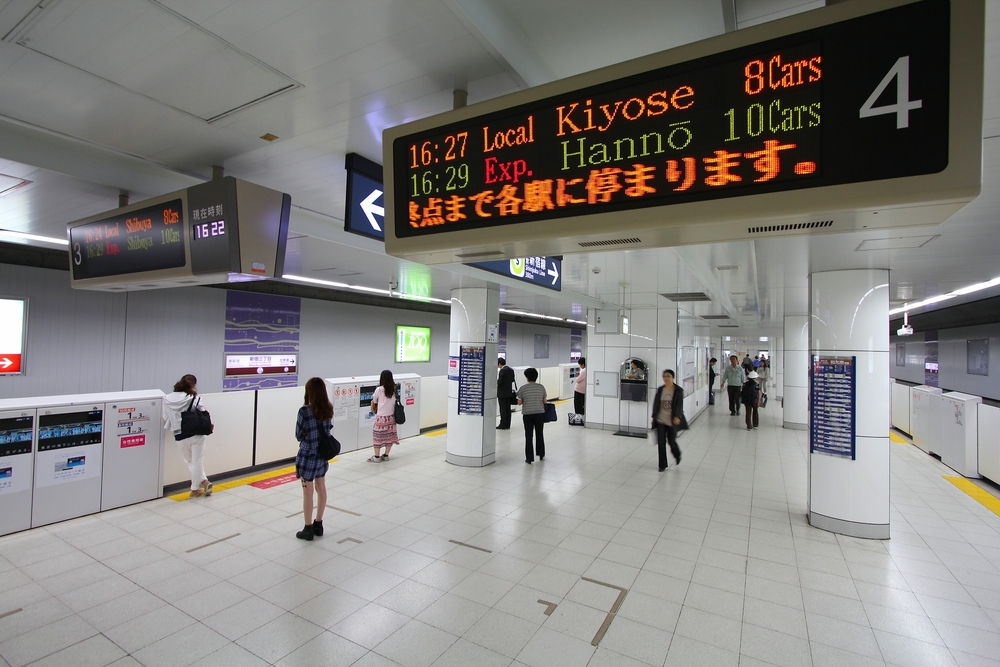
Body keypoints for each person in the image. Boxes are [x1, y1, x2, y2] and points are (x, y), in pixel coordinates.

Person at [162, 374, 213, 499]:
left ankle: (200, 486)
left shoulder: (166, 399)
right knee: (197, 461)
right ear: (193, 385)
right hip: (197, 432)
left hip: (180, 434)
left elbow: (165, 417)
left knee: (190, 461)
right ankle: (200, 485)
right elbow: (203, 411)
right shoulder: (194, 398)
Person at [294, 378, 332, 541]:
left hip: (307, 457)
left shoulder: (304, 411)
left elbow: (298, 435)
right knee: (321, 488)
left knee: (307, 492)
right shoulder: (328, 409)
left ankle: (307, 528)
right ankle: (319, 524)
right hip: (322, 456)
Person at [651, 369, 687, 472]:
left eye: (668, 376)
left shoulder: (678, 390)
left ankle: (677, 454)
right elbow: (656, 404)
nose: (666, 378)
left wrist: (677, 416)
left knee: (671, 441)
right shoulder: (660, 389)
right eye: (664, 376)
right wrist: (654, 417)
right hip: (660, 419)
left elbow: (679, 405)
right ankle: (662, 465)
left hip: (672, 420)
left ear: (672, 378)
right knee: (661, 442)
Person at [517, 367, 550, 464]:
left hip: (527, 414)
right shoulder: (541, 387)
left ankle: (529, 458)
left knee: (529, 435)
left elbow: (519, 402)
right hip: (540, 413)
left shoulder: (523, 388)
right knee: (539, 434)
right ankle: (541, 454)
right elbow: (544, 401)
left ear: (527, 377)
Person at [369, 370, 399, 462]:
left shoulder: (379, 389)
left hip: (381, 417)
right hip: (391, 418)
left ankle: (377, 457)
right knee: (389, 437)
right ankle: (386, 455)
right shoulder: (394, 389)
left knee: (378, 437)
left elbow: (375, 401)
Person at [497, 357, 515, 430]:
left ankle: (502, 424)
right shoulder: (511, 370)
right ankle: (508, 424)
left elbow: (500, 382)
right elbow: (512, 380)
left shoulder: (502, 371)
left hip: (502, 394)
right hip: (509, 393)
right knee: (508, 409)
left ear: (500, 364)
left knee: (503, 409)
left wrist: (496, 382)